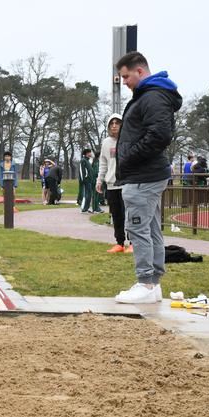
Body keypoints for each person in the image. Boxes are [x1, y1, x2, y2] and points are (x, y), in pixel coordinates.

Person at [113, 52, 182, 304]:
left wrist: (129, 157)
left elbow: (160, 134)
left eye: (126, 76)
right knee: (150, 228)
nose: (124, 82)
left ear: (139, 71)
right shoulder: (148, 95)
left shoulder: (152, 96)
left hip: (143, 175)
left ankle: (146, 282)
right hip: (143, 174)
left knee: (137, 228)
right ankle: (152, 284)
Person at [96, 113, 130, 253]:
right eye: (112, 123)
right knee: (116, 215)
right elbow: (103, 163)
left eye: (117, 123)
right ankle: (120, 243)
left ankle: (133, 242)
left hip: (126, 183)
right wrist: (99, 180)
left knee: (129, 215)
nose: (114, 126)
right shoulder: (106, 143)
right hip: (111, 184)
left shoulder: (128, 140)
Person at [79, 148, 101, 213]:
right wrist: (84, 180)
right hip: (86, 181)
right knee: (86, 195)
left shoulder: (88, 161)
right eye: (90, 152)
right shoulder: (83, 160)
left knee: (89, 195)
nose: (91, 154)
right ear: (87, 153)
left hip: (89, 181)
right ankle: (84, 209)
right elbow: (81, 171)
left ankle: (86, 208)